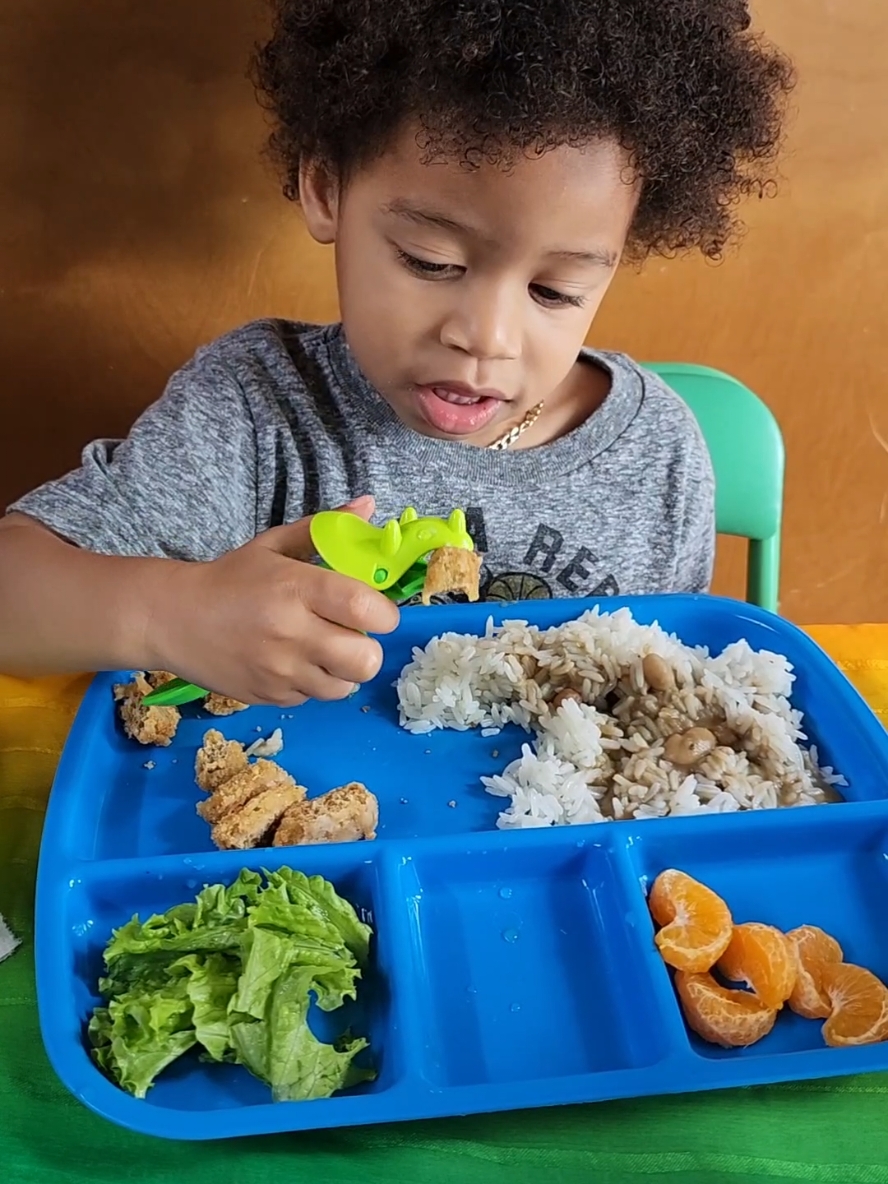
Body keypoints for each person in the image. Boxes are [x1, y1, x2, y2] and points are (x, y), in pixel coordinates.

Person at [0, 0, 794, 707]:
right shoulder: (254, 410)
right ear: (325, 188)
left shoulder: (659, 457)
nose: (486, 338)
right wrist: (170, 615)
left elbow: (667, 701)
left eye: (555, 291)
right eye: (431, 262)